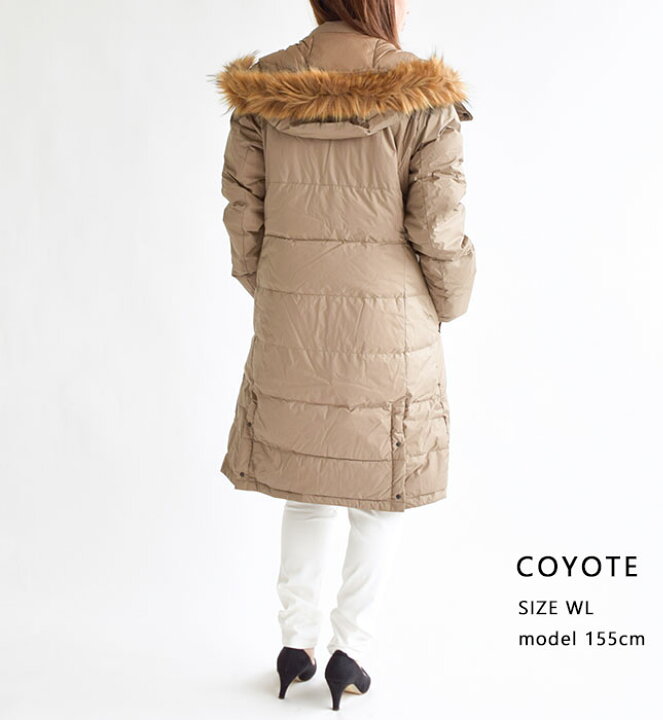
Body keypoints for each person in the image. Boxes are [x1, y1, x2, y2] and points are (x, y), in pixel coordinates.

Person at [213, 0, 475, 709]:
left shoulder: (264, 90)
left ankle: (295, 646)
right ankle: (349, 654)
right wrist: (450, 302)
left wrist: (278, 294)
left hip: (292, 318)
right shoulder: (423, 95)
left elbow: (243, 216)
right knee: (379, 497)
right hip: (392, 327)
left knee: (307, 491)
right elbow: (439, 228)